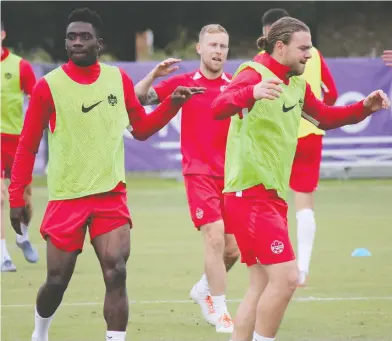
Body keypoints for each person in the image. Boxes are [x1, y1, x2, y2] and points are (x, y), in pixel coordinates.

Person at [8, 8, 204, 341]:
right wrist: (16, 197)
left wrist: (171, 103)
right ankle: (40, 333)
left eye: (84, 37)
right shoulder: (48, 87)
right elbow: (27, 147)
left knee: (116, 271)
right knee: (56, 281)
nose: (77, 42)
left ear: (99, 43)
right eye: (71, 37)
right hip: (66, 199)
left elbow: (140, 128)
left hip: (110, 196)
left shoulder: (118, 79)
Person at [212, 17, 390, 341]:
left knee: (261, 284)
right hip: (249, 195)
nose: (310, 55)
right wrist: (250, 92)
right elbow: (218, 105)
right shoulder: (253, 74)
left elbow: (324, 116)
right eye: (304, 48)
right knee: (287, 278)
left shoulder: (296, 84)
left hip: (269, 197)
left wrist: (364, 108)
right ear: (280, 47)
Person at [135, 24, 239, 333]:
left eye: (223, 46)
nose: (218, 51)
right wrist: (154, 74)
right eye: (213, 45)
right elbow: (140, 98)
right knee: (215, 236)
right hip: (198, 173)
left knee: (233, 251)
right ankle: (220, 312)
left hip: (230, 177)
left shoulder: (235, 85)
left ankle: (203, 288)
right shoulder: (183, 83)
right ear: (199, 48)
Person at [261, 8, 339, 286]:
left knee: (272, 201)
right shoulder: (313, 53)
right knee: (304, 204)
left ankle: (278, 262)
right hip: (310, 134)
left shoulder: (263, 61)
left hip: (280, 136)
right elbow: (332, 92)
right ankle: (302, 269)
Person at [0, 20, 39, 272]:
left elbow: (37, 100)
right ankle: (3, 254)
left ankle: (22, 236)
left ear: (2, 34)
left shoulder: (19, 66)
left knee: (25, 198)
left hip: (16, 140)